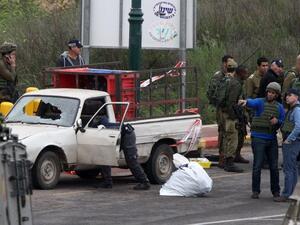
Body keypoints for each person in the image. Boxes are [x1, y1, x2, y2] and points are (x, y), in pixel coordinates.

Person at [238, 82, 285, 200]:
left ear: (277, 95)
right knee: (257, 165)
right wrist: (245, 102)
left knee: (274, 167)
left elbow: (283, 122)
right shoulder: (260, 102)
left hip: (271, 138)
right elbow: (251, 102)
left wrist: (277, 122)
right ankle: (255, 191)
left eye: (273, 93)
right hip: (258, 137)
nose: (270, 94)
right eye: (269, 92)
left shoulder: (279, 107)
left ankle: (276, 191)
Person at [94, 113, 150, 190]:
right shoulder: (102, 121)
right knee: (105, 158)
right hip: (119, 136)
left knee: (131, 160)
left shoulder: (102, 124)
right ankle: (107, 182)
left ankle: (144, 182)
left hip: (127, 135)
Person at [206, 54, 234, 168]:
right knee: (223, 132)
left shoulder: (230, 76)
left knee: (229, 133)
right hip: (221, 109)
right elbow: (211, 93)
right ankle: (222, 156)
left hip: (228, 108)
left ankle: (229, 155)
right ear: (224, 63)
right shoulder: (218, 76)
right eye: (229, 63)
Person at [220, 64, 248, 172]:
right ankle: (229, 163)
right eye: (245, 73)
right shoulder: (236, 84)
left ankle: (228, 161)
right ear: (240, 73)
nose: (247, 75)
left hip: (225, 114)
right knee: (232, 138)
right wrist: (234, 116)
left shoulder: (230, 81)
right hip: (230, 116)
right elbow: (231, 102)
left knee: (228, 137)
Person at [274, 89, 300, 202]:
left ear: (297, 97)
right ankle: (292, 193)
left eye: (290, 95)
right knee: (293, 168)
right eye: (286, 96)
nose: (287, 97)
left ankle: (286, 194)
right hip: (292, 142)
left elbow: (298, 127)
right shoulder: (292, 109)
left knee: (289, 169)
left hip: (292, 143)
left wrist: (289, 139)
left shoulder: (296, 110)